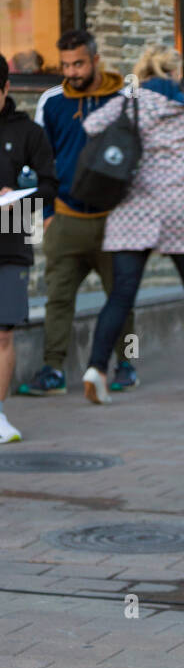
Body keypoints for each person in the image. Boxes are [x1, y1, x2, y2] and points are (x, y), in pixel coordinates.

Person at [78, 45, 184, 404]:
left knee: (122, 294)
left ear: (142, 71)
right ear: (175, 73)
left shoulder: (129, 101)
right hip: (181, 208)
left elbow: (90, 125)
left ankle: (96, 369)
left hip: (134, 207)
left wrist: (131, 98)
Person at [17, 28, 137, 396]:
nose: (71, 72)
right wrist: (46, 214)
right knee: (58, 297)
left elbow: (137, 159)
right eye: (66, 65)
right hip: (66, 218)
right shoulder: (51, 102)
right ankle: (53, 370)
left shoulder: (124, 99)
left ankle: (129, 364)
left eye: (79, 64)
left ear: (96, 60)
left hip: (114, 220)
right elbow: (37, 161)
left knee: (123, 298)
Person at [0, 54, 56, 443]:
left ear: (5, 89)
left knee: (3, 334)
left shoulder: (29, 133)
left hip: (10, 241)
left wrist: (19, 197)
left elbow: (50, 186)